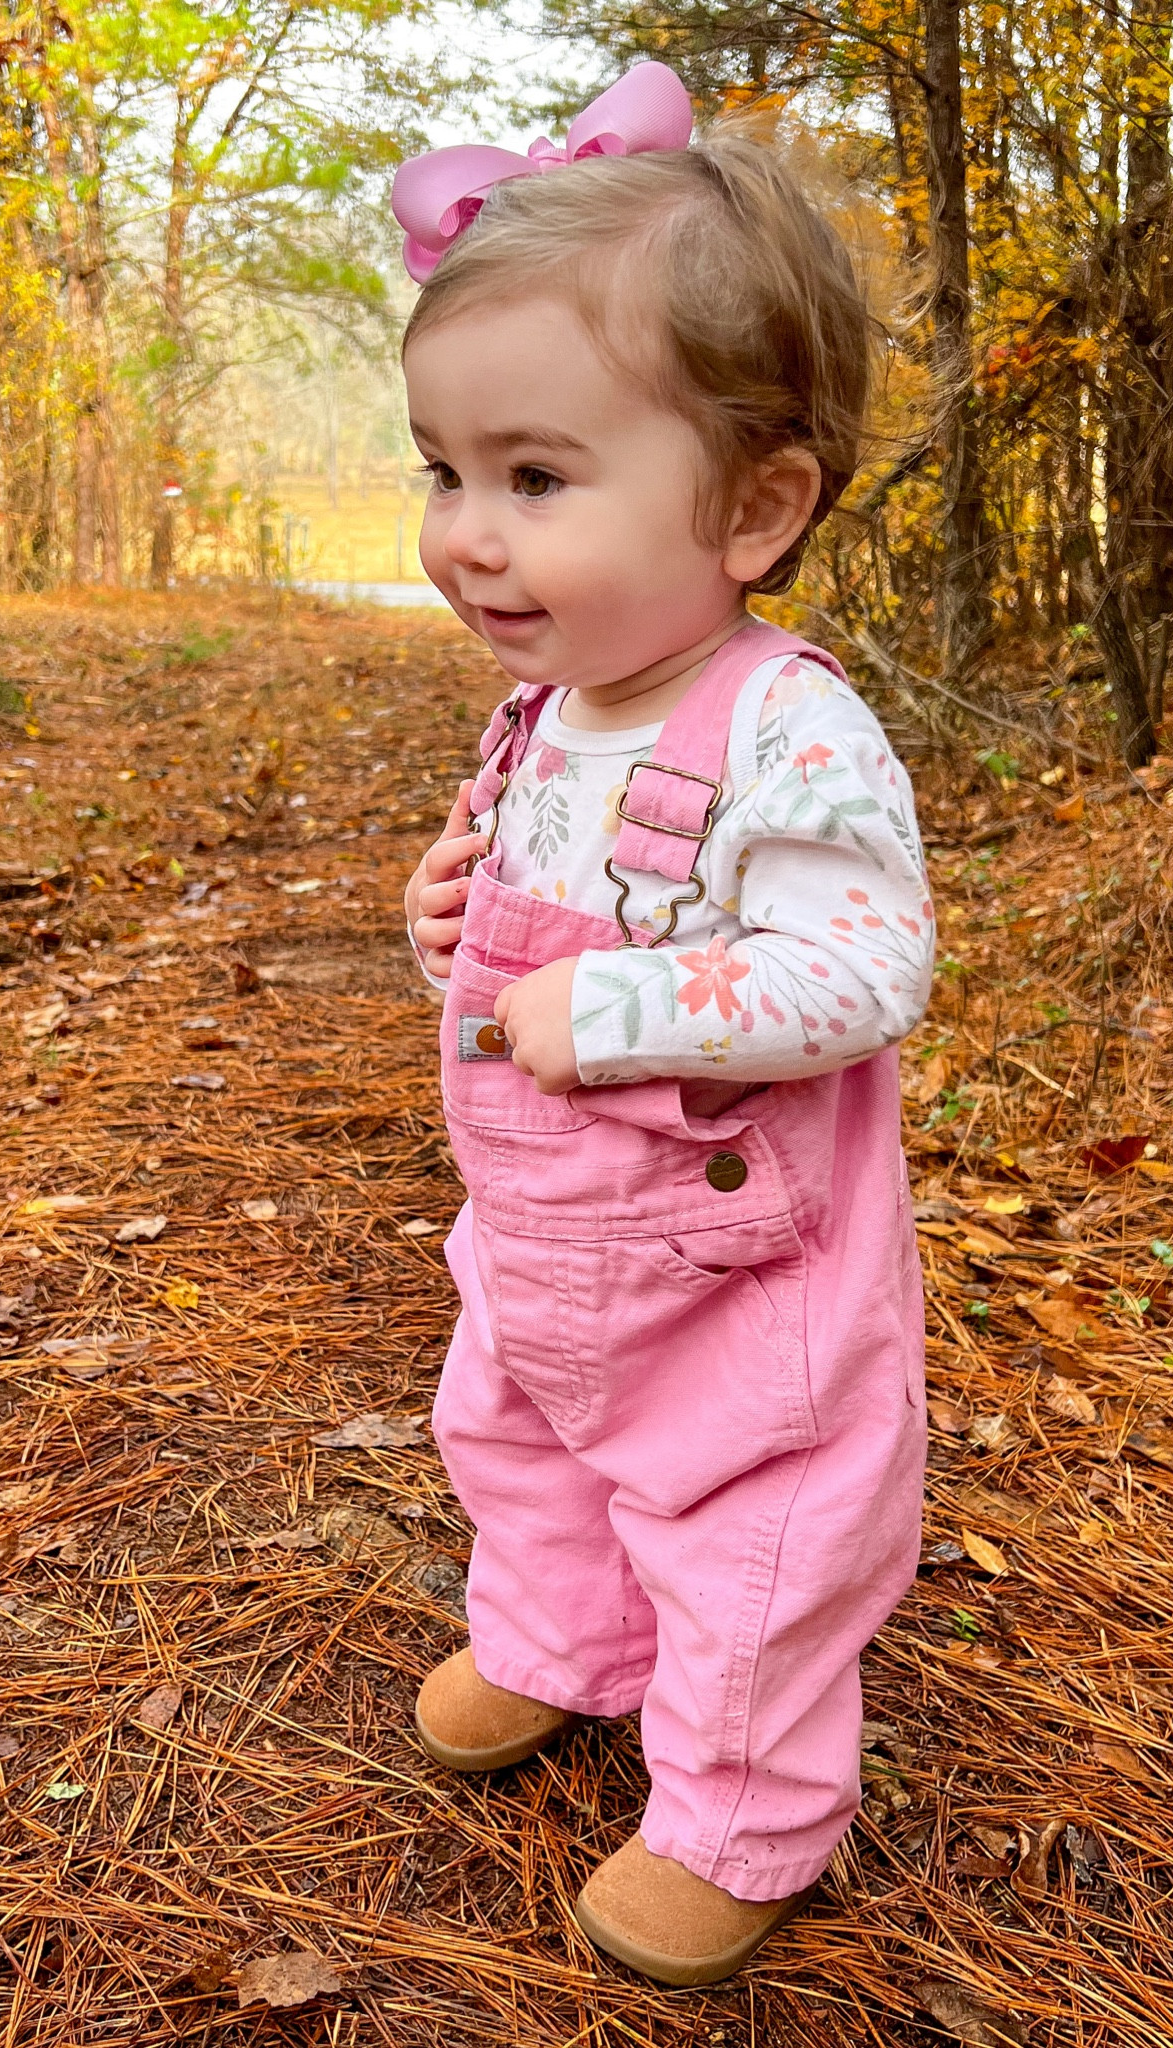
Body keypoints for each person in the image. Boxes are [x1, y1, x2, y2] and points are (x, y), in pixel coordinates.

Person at [396, 61, 934, 1988]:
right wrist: (442, 919)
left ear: (757, 507)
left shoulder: (784, 722)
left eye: (537, 478)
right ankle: (561, 1645)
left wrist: (617, 1003)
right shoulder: (549, 710)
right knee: (515, 1433)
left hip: (731, 1264)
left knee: (751, 1528)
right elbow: (516, 936)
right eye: (442, 470)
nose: (470, 532)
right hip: (542, 1247)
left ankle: (744, 1809)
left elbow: (868, 971)